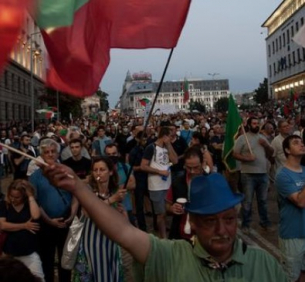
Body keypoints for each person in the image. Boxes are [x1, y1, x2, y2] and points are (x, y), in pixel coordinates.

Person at [42, 165, 288, 282]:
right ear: (192, 221)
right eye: (210, 221)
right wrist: (78, 187)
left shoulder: (265, 264)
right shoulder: (170, 256)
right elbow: (124, 232)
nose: (222, 230)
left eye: (229, 219)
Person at [29, 138, 78, 282]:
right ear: (42, 155)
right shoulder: (35, 176)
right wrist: (49, 221)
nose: (50, 155)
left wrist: (72, 214)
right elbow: (36, 202)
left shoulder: (67, 171)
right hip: (46, 223)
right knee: (47, 259)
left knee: (66, 259)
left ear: (58, 153)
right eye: (46, 152)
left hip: (66, 219)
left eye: (53, 151)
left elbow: (76, 195)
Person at [73, 156, 126, 282]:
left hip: (110, 243)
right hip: (92, 243)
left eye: (102, 169)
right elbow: (87, 212)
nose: (98, 173)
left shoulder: (113, 192)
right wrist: (112, 200)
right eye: (95, 170)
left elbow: (124, 223)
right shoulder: (88, 190)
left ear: (111, 172)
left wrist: (121, 212)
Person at [233, 117, 274, 234]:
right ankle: (246, 224)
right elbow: (235, 154)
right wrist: (246, 158)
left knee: (263, 201)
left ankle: (265, 222)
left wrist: (266, 145)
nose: (256, 125)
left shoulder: (262, 138)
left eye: (258, 123)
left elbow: (271, 153)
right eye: (254, 123)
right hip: (248, 174)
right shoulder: (242, 138)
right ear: (249, 125)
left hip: (263, 174)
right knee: (247, 202)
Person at [0, 179, 44, 281]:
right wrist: (24, 225)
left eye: (17, 197)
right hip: (9, 254)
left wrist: (30, 196)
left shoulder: (30, 203)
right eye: (11, 196)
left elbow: (36, 215)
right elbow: (2, 225)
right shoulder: (4, 204)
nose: (13, 199)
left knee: (39, 278)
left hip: (29, 252)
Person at [275, 135, 305, 282]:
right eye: (296, 143)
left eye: (302, 142)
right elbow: (300, 202)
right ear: (287, 150)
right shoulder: (283, 175)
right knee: (291, 277)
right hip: (292, 234)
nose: (301, 145)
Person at [141, 126, 178, 238]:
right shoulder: (151, 148)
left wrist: (169, 145)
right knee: (160, 213)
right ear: (165, 136)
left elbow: (175, 160)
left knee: (166, 211)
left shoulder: (168, 147)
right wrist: (159, 172)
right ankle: (163, 236)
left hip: (168, 184)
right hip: (156, 185)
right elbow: (143, 166)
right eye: (171, 136)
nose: (173, 138)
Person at [166, 146, 206, 240]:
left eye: (196, 167)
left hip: (204, 232)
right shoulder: (178, 182)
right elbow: (167, 205)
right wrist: (172, 208)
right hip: (181, 232)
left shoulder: (210, 181)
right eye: (188, 168)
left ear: (202, 163)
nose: (192, 171)